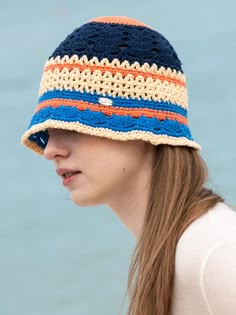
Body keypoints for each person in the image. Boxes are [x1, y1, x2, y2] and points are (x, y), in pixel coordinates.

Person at [21, 16, 236, 315]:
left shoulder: (214, 256)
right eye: (49, 131)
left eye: (72, 124)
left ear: (141, 123)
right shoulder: (177, 251)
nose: (50, 151)